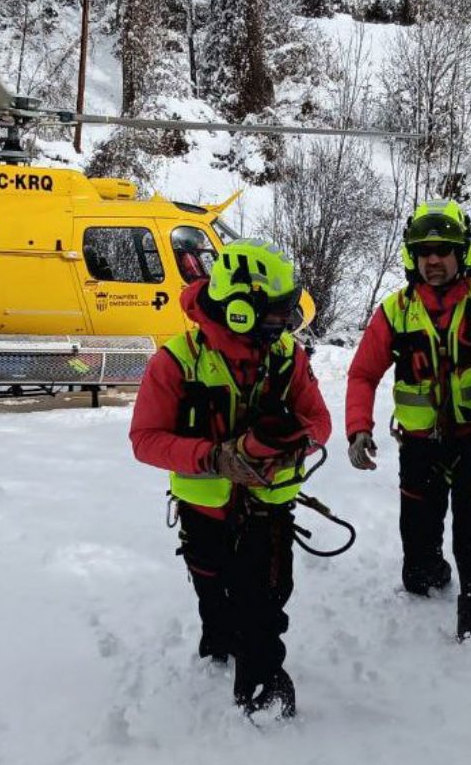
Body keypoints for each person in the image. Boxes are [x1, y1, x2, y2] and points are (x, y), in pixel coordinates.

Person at [129, 239, 331, 717]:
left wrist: (291, 446)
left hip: (268, 508)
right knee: (214, 597)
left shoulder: (286, 356)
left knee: (263, 604)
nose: (286, 324)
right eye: (278, 314)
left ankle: (262, 694)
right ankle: (218, 646)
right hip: (204, 512)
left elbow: (319, 422)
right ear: (241, 311)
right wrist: (217, 458)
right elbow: (145, 440)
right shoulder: (176, 362)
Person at [344, 199, 471, 641]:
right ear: (412, 256)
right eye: (424, 251)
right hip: (419, 445)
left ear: (462, 253)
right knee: (417, 537)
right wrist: (358, 427)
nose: (433, 260)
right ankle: (428, 577)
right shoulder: (394, 311)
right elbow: (363, 373)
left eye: (443, 250)